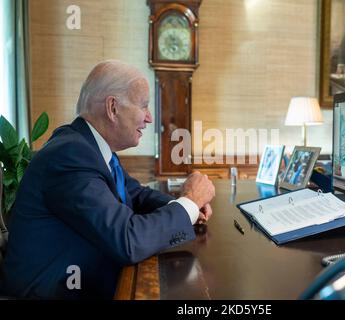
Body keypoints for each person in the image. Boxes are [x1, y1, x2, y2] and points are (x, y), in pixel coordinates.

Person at [0, 60, 215, 299]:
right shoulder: (70, 156)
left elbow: (135, 193)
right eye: (144, 106)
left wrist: (188, 208)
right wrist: (189, 202)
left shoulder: (90, 148)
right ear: (113, 108)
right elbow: (128, 241)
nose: (149, 118)